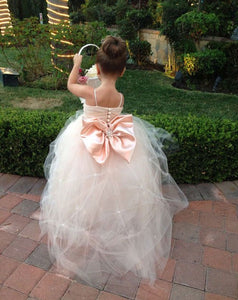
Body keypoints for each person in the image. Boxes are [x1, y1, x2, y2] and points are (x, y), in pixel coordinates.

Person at [40, 36, 188, 287]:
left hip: (85, 142)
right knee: (112, 183)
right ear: (123, 71)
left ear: (97, 68)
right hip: (113, 141)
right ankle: (109, 218)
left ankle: (87, 219)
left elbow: (70, 85)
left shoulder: (89, 92)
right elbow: (108, 107)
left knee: (83, 182)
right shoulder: (119, 98)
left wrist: (76, 64)